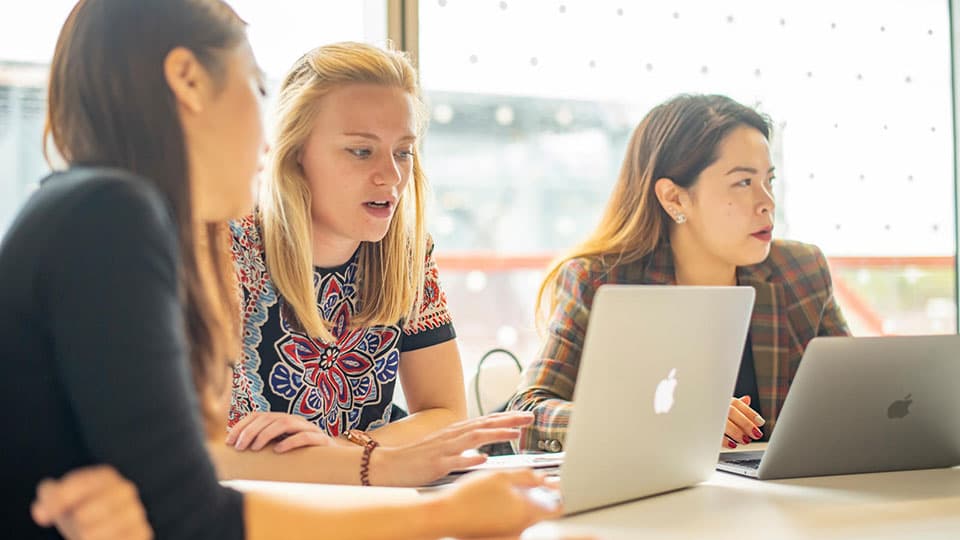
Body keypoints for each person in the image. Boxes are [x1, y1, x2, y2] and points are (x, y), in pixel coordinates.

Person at [4, 1, 558, 538]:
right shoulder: (115, 214)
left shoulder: (92, 208)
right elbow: (193, 507)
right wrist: (441, 513)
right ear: (187, 80)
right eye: (256, 87)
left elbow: (169, 486)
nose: (268, 138)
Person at [507, 94, 850, 452]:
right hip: (656, 500)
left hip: (782, 501)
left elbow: (862, 394)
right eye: (744, 183)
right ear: (674, 198)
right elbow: (527, 416)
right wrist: (662, 418)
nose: (767, 203)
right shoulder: (600, 282)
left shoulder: (801, 272)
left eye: (769, 180)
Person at [224, 42, 466, 455]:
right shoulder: (233, 246)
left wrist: (341, 452)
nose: (390, 175)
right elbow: (222, 447)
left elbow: (447, 414)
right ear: (296, 151)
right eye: (361, 151)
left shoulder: (408, 255)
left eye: (403, 152)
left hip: (369, 499)